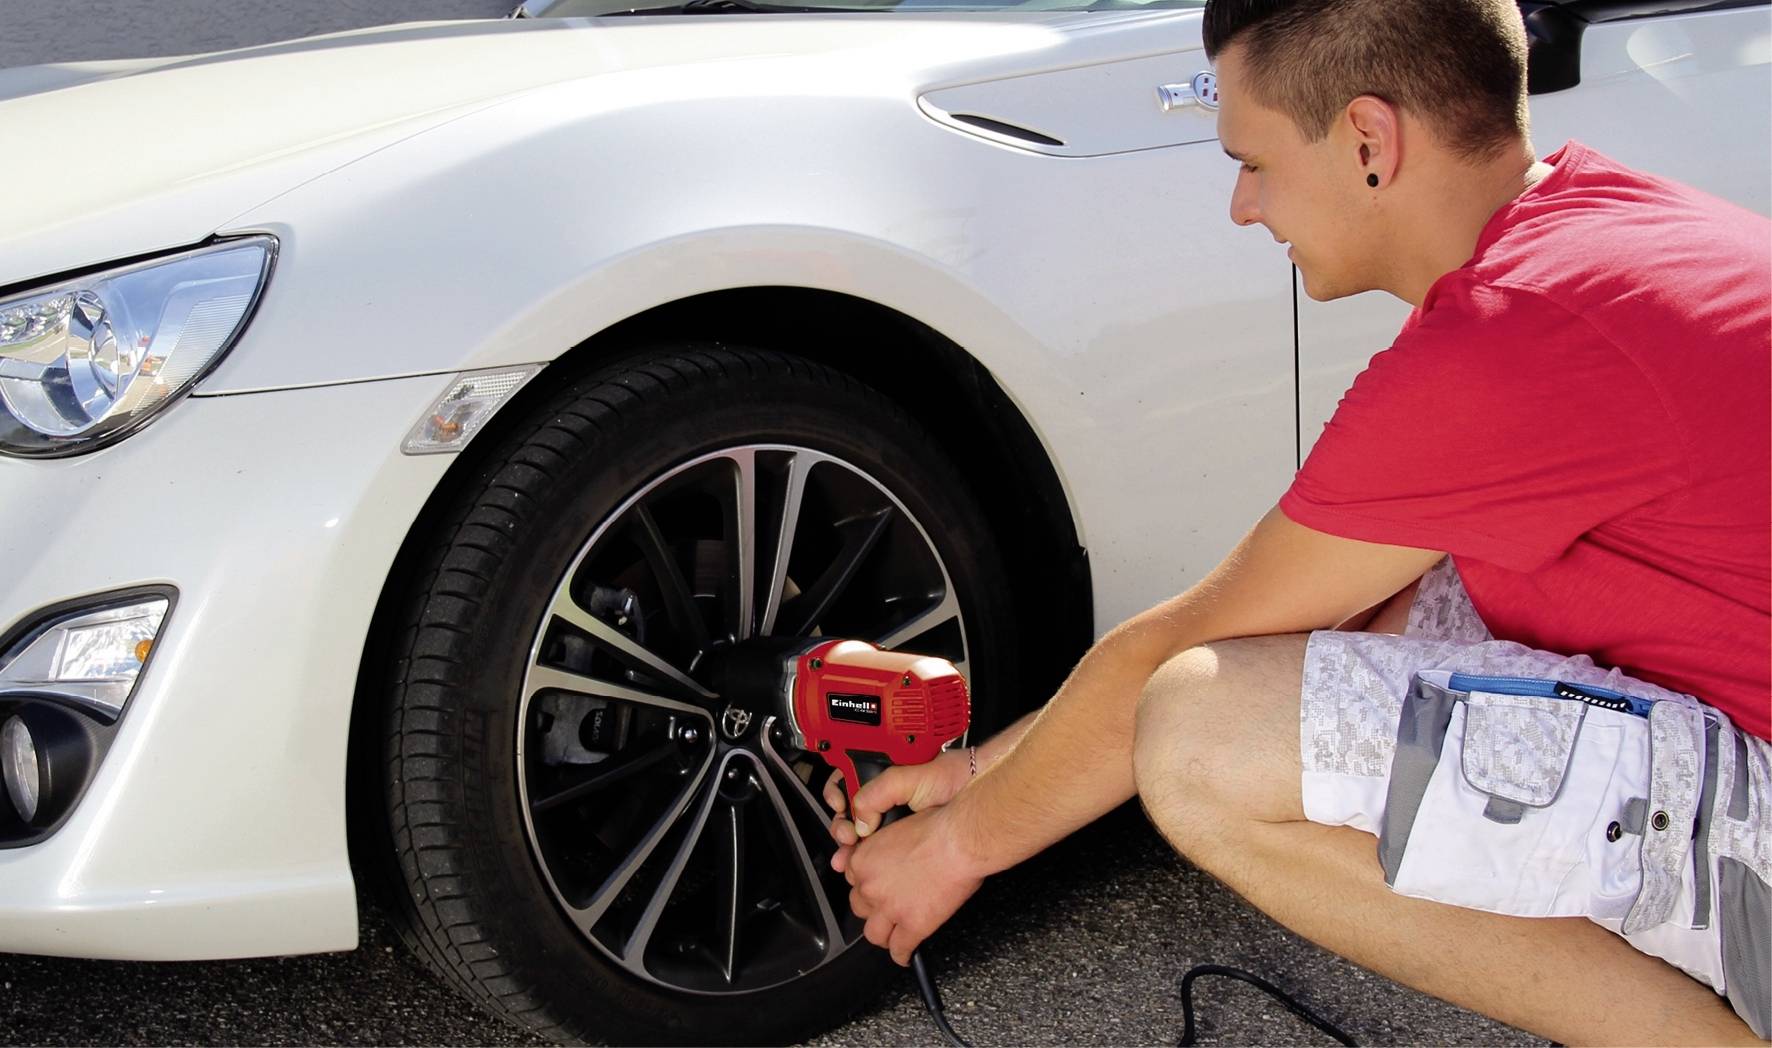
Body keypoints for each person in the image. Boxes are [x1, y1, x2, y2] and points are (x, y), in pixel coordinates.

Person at [822, 0, 1772, 1042]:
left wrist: (954, 848)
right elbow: (1322, 628)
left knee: (1201, 731)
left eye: (1252, 160)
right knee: (1404, 610)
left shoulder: (1506, 339)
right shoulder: (1606, 235)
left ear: (1367, 140)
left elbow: (1179, 650)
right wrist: (968, 773)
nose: (1240, 205)